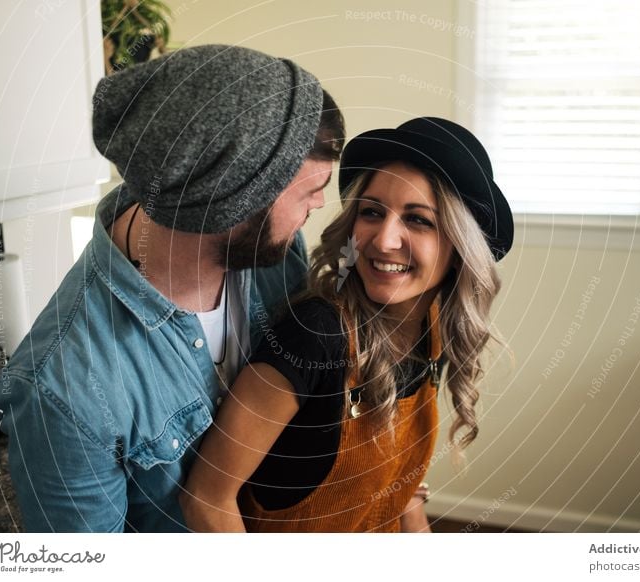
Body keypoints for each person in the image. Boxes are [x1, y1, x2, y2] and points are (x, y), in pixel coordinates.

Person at [0, 44, 345, 532]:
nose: (320, 203)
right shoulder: (65, 390)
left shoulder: (273, 256)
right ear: (233, 202)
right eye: (309, 191)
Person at [180, 116, 514, 532]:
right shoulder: (314, 336)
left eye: (418, 220)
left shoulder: (432, 329)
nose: (383, 239)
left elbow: (401, 487)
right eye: (372, 212)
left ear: (460, 246)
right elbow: (207, 499)